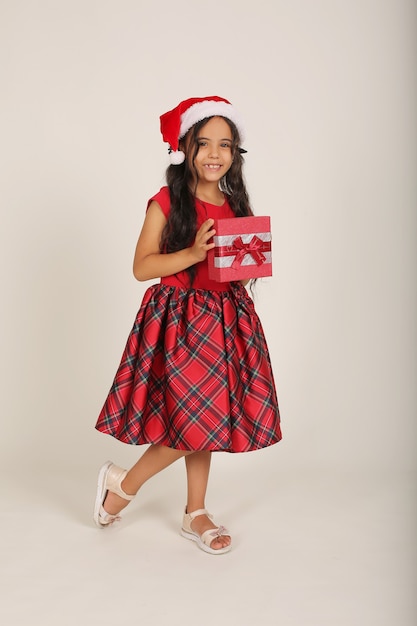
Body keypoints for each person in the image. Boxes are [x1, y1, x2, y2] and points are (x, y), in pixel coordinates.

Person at [94, 96, 282, 555]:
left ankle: (194, 511)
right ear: (185, 149)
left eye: (225, 145)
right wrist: (194, 253)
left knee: (209, 417)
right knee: (193, 419)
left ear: (236, 154)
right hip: (178, 322)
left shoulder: (236, 204)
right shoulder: (167, 200)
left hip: (225, 318)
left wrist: (249, 258)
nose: (215, 154)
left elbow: (235, 266)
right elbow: (142, 267)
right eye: (204, 144)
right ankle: (124, 482)